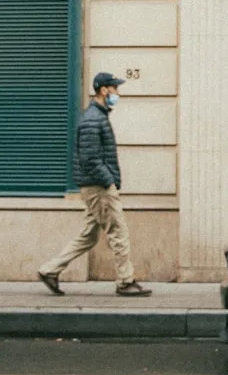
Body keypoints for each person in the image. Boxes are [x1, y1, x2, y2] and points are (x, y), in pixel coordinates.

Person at [38, 73, 152, 297]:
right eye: (115, 89)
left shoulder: (97, 116)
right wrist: (109, 181)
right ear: (104, 90)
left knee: (89, 235)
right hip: (98, 187)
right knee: (118, 230)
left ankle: (49, 270)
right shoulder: (93, 119)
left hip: (94, 185)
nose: (117, 94)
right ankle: (125, 281)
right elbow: (90, 158)